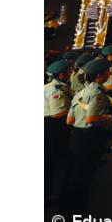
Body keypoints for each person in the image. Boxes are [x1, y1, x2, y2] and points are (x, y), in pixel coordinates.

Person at [59, 58, 112, 222]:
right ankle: (77, 219)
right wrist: (110, 120)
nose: (109, 74)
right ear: (99, 75)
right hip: (90, 138)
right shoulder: (98, 93)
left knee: (73, 176)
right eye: (107, 71)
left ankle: (66, 212)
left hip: (76, 136)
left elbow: (69, 120)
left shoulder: (80, 93)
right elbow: (92, 118)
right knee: (84, 178)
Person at [44, 59, 73, 199]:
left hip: (49, 126)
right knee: (50, 163)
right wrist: (75, 112)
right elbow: (57, 113)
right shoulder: (57, 89)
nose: (71, 72)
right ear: (61, 74)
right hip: (52, 127)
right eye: (68, 71)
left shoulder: (48, 86)